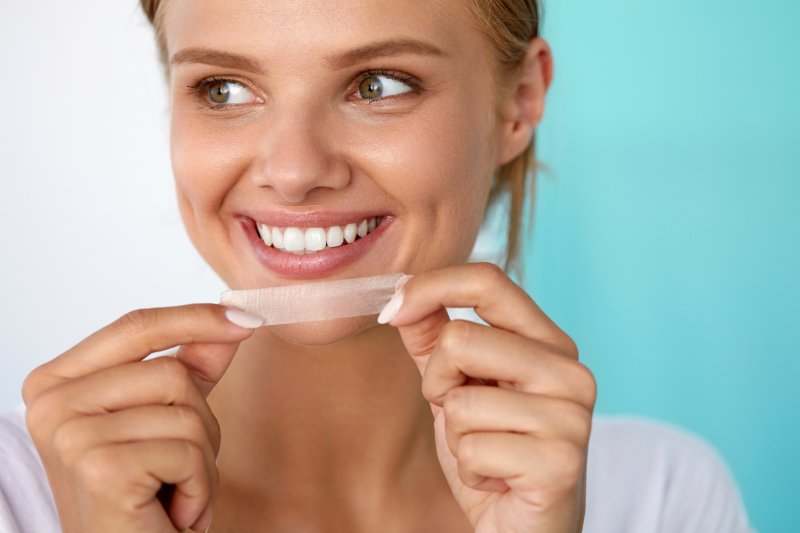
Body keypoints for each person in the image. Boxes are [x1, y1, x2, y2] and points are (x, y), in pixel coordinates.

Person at [0, 0, 753, 531]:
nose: (294, 170)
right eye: (224, 90)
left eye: (378, 84)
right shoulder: (22, 495)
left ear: (519, 101)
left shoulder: (665, 498)